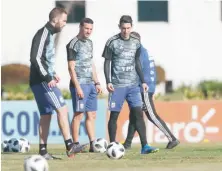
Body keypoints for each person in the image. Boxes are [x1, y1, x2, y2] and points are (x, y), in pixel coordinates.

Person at [29, 7, 86, 160]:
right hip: (42, 81)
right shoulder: (43, 34)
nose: (65, 24)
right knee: (62, 108)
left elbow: (43, 59)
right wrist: (48, 78)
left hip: (41, 80)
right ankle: (70, 145)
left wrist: (53, 73)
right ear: (55, 20)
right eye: (64, 21)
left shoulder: (50, 34)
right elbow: (35, 59)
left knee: (46, 115)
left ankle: (43, 151)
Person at [102, 15, 158, 154]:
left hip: (133, 85)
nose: (125, 31)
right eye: (123, 28)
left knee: (138, 113)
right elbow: (107, 62)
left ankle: (145, 146)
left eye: (128, 28)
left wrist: (143, 81)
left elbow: (137, 63)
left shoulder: (136, 42)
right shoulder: (112, 42)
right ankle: (112, 144)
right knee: (114, 115)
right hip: (117, 85)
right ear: (119, 27)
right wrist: (108, 81)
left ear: (131, 27)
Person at [123, 32, 180, 149]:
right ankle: (127, 144)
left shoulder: (137, 53)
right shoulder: (145, 52)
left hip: (143, 88)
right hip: (148, 87)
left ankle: (172, 138)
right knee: (135, 115)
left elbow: (136, 71)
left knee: (151, 115)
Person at [66, 18, 102, 152]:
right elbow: (71, 68)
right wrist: (78, 87)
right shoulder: (73, 44)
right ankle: (75, 144)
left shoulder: (90, 43)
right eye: (86, 28)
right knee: (78, 115)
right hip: (79, 84)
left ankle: (93, 144)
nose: (89, 31)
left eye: (91, 29)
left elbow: (90, 63)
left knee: (92, 114)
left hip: (91, 84)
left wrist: (97, 82)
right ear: (80, 27)